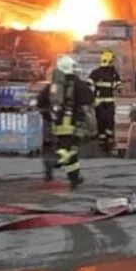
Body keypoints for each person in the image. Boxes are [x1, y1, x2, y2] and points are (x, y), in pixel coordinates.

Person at [37, 55, 94, 189]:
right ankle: (56, 161)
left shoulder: (55, 85)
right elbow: (89, 101)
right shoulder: (79, 84)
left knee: (70, 151)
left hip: (58, 124)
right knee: (67, 150)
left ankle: (75, 178)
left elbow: (41, 100)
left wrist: (50, 113)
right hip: (73, 124)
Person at [88, 50, 122, 155]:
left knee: (109, 119)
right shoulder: (96, 73)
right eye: (112, 61)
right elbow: (89, 84)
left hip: (109, 101)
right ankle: (102, 139)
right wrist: (93, 97)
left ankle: (109, 138)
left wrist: (119, 88)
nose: (113, 63)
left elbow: (117, 82)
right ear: (108, 60)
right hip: (100, 101)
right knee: (101, 120)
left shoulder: (113, 73)